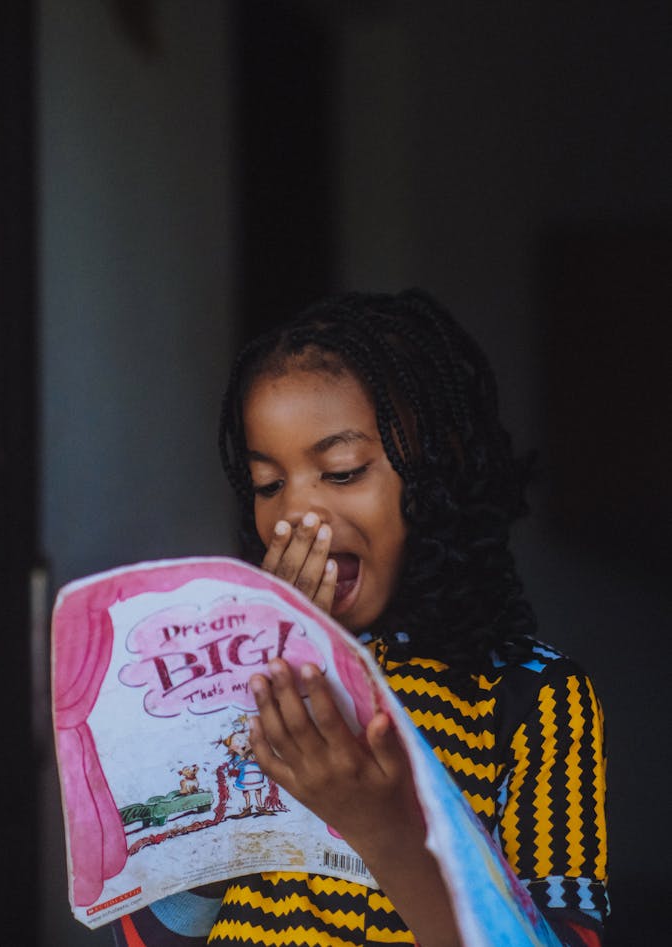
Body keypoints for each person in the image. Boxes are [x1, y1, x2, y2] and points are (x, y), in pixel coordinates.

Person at [113, 289, 608, 947]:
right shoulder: (225, 692)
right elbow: (148, 936)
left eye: (341, 471)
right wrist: (229, 731)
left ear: (437, 469)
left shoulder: (531, 699)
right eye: (267, 483)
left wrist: (383, 832)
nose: (298, 513)